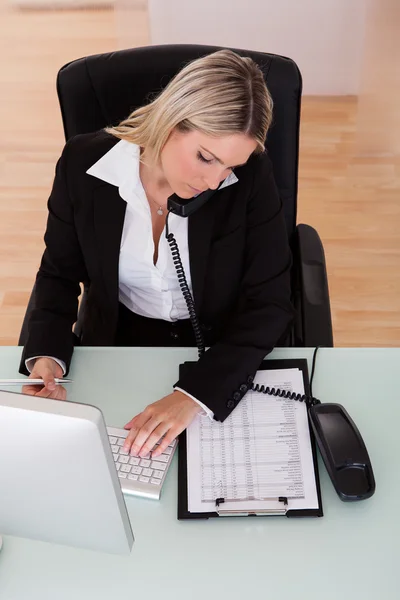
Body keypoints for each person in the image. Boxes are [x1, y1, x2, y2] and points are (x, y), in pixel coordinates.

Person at [20, 49, 294, 460]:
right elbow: (58, 273)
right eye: (206, 157)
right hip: (115, 343)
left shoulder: (248, 178)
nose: (214, 181)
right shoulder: (83, 164)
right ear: (170, 121)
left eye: (229, 166)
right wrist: (46, 356)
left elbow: (269, 303)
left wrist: (195, 395)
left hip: (220, 346)